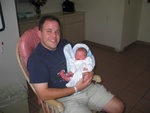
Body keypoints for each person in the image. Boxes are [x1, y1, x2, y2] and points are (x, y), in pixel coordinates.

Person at [27, 15, 125, 113]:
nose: (54, 36)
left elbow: (85, 58)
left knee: (119, 107)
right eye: (49, 31)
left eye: (57, 31)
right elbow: (43, 94)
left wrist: (89, 72)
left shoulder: (65, 44)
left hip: (86, 88)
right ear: (39, 33)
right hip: (63, 99)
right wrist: (75, 88)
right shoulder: (36, 60)